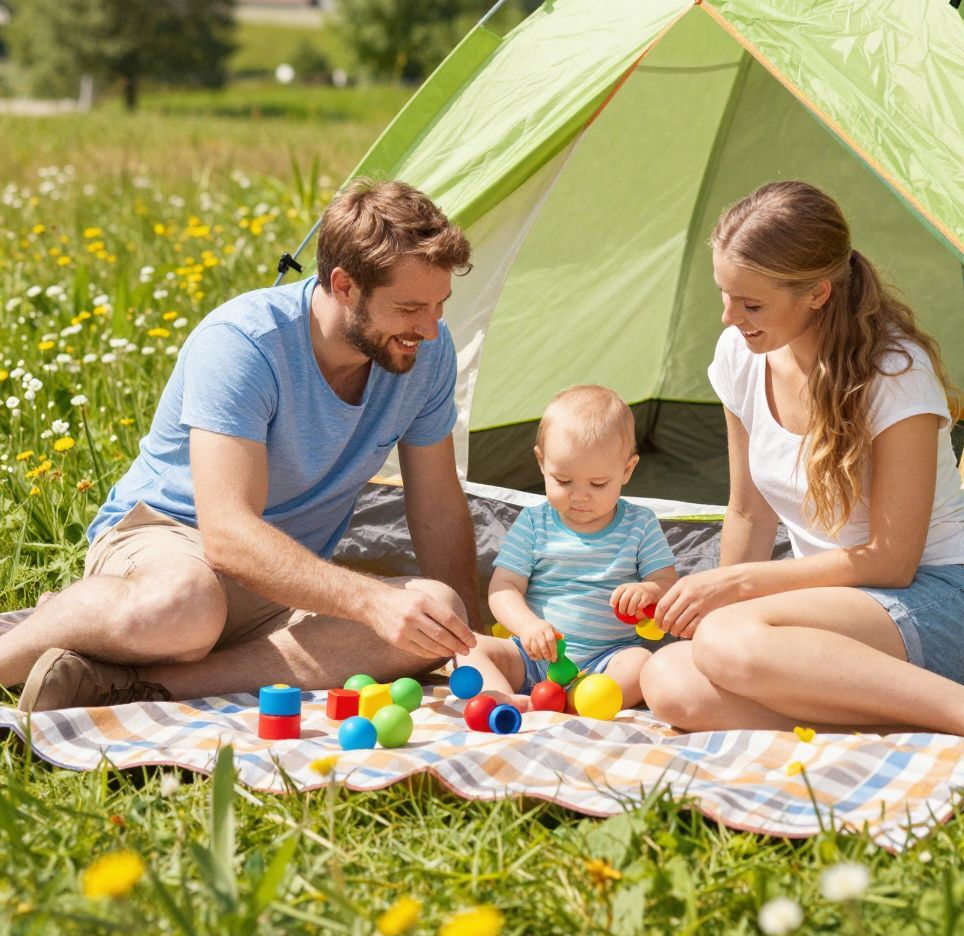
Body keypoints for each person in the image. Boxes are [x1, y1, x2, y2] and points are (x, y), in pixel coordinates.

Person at [639, 181, 964, 759]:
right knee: (671, 680)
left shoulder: (893, 372)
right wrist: (715, 600)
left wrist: (738, 591)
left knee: (728, 639)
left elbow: (892, 562)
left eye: (751, 305)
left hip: (942, 601)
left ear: (817, 293)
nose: (730, 318)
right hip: (839, 611)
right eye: (725, 295)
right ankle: (921, 723)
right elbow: (749, 512)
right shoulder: (740, 357)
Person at [8, 180, 478, 712]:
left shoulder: (424, 355)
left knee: (437, 609)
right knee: (186, 605)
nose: (431, 329)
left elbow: (438, 508)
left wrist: (472, 643)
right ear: (345, 285)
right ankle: (32, 642)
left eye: (440, 305)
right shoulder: (244, 343)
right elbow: (227, 536)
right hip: (172, 545)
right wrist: (370, 600)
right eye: (411, 307)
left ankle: (126, 680)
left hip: (286, 583)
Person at [457, 385, 677, 706]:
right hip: (533, 656)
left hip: (607, 660)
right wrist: (528, 626)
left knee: (642, 664)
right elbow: (504, 588)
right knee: (470, 648)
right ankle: (506, 700)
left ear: (627, 470)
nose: (580, 496)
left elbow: (668, 582)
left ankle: (573, 703)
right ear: (542, 462)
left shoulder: (640, 524)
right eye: (563, 481)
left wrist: (649, 590)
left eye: (598, 484)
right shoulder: (534, 523)